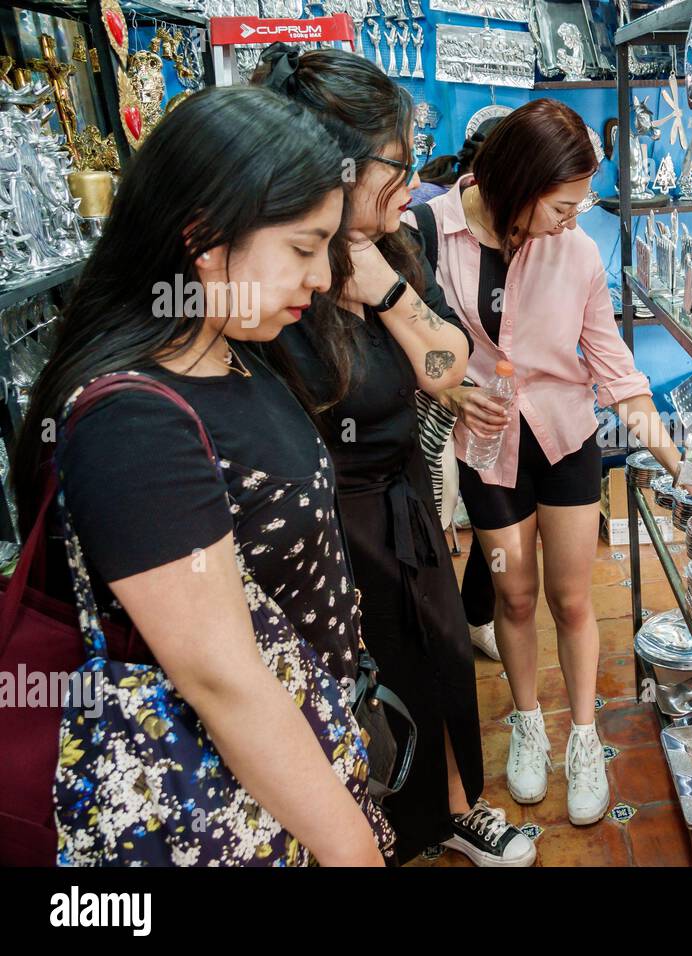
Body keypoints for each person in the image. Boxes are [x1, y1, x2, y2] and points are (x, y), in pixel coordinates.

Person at [12, 86, 391, 865]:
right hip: (218, 798)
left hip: (294, 766)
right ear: (204, 239)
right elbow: (224, 682)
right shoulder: (134, 424)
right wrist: (353, 850)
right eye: (302, 246)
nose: (320, 277)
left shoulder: (234, 348)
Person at [252, 45, 534, 867]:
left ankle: (454, 810)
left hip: (402, 493)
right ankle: (377, 838)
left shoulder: (397, 242)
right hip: (327, 523)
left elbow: (449, 365)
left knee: (441, 659)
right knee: (363, 689)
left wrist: (389, 291)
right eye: (397, 160)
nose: (412, 177)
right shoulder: (278, 272)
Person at [427, 99, 692, 826]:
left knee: (574, 599)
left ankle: (583, 736)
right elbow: (406, 346)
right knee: (513, 598)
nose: (575, 219)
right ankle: (529, 724)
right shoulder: (429, 233)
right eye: (563, 204)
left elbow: (615, 368)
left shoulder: (578, 253)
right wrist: (453, 389)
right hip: (490, 450)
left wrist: (677, 463)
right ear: (520, 185)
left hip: (564, 438)